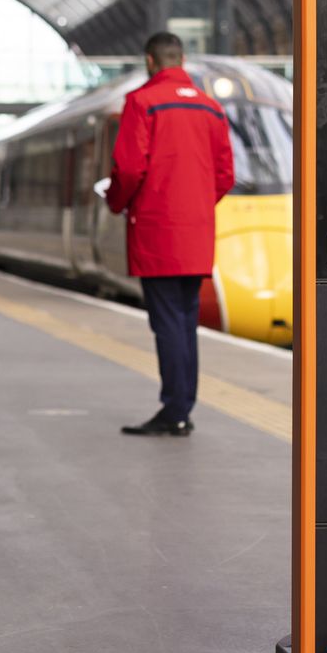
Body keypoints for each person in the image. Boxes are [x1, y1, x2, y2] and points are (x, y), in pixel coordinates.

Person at [106, 33, 234, 437]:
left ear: (150, 61)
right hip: (196, 235)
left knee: (167, 324)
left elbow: (128, 170)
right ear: (182, 59)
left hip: (157, 233)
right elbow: (225, 175)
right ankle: (182, 406)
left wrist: (116, 201)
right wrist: (195, 205)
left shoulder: (142, 103)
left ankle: (175, 411)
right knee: (185, 320)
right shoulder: (212, 109)